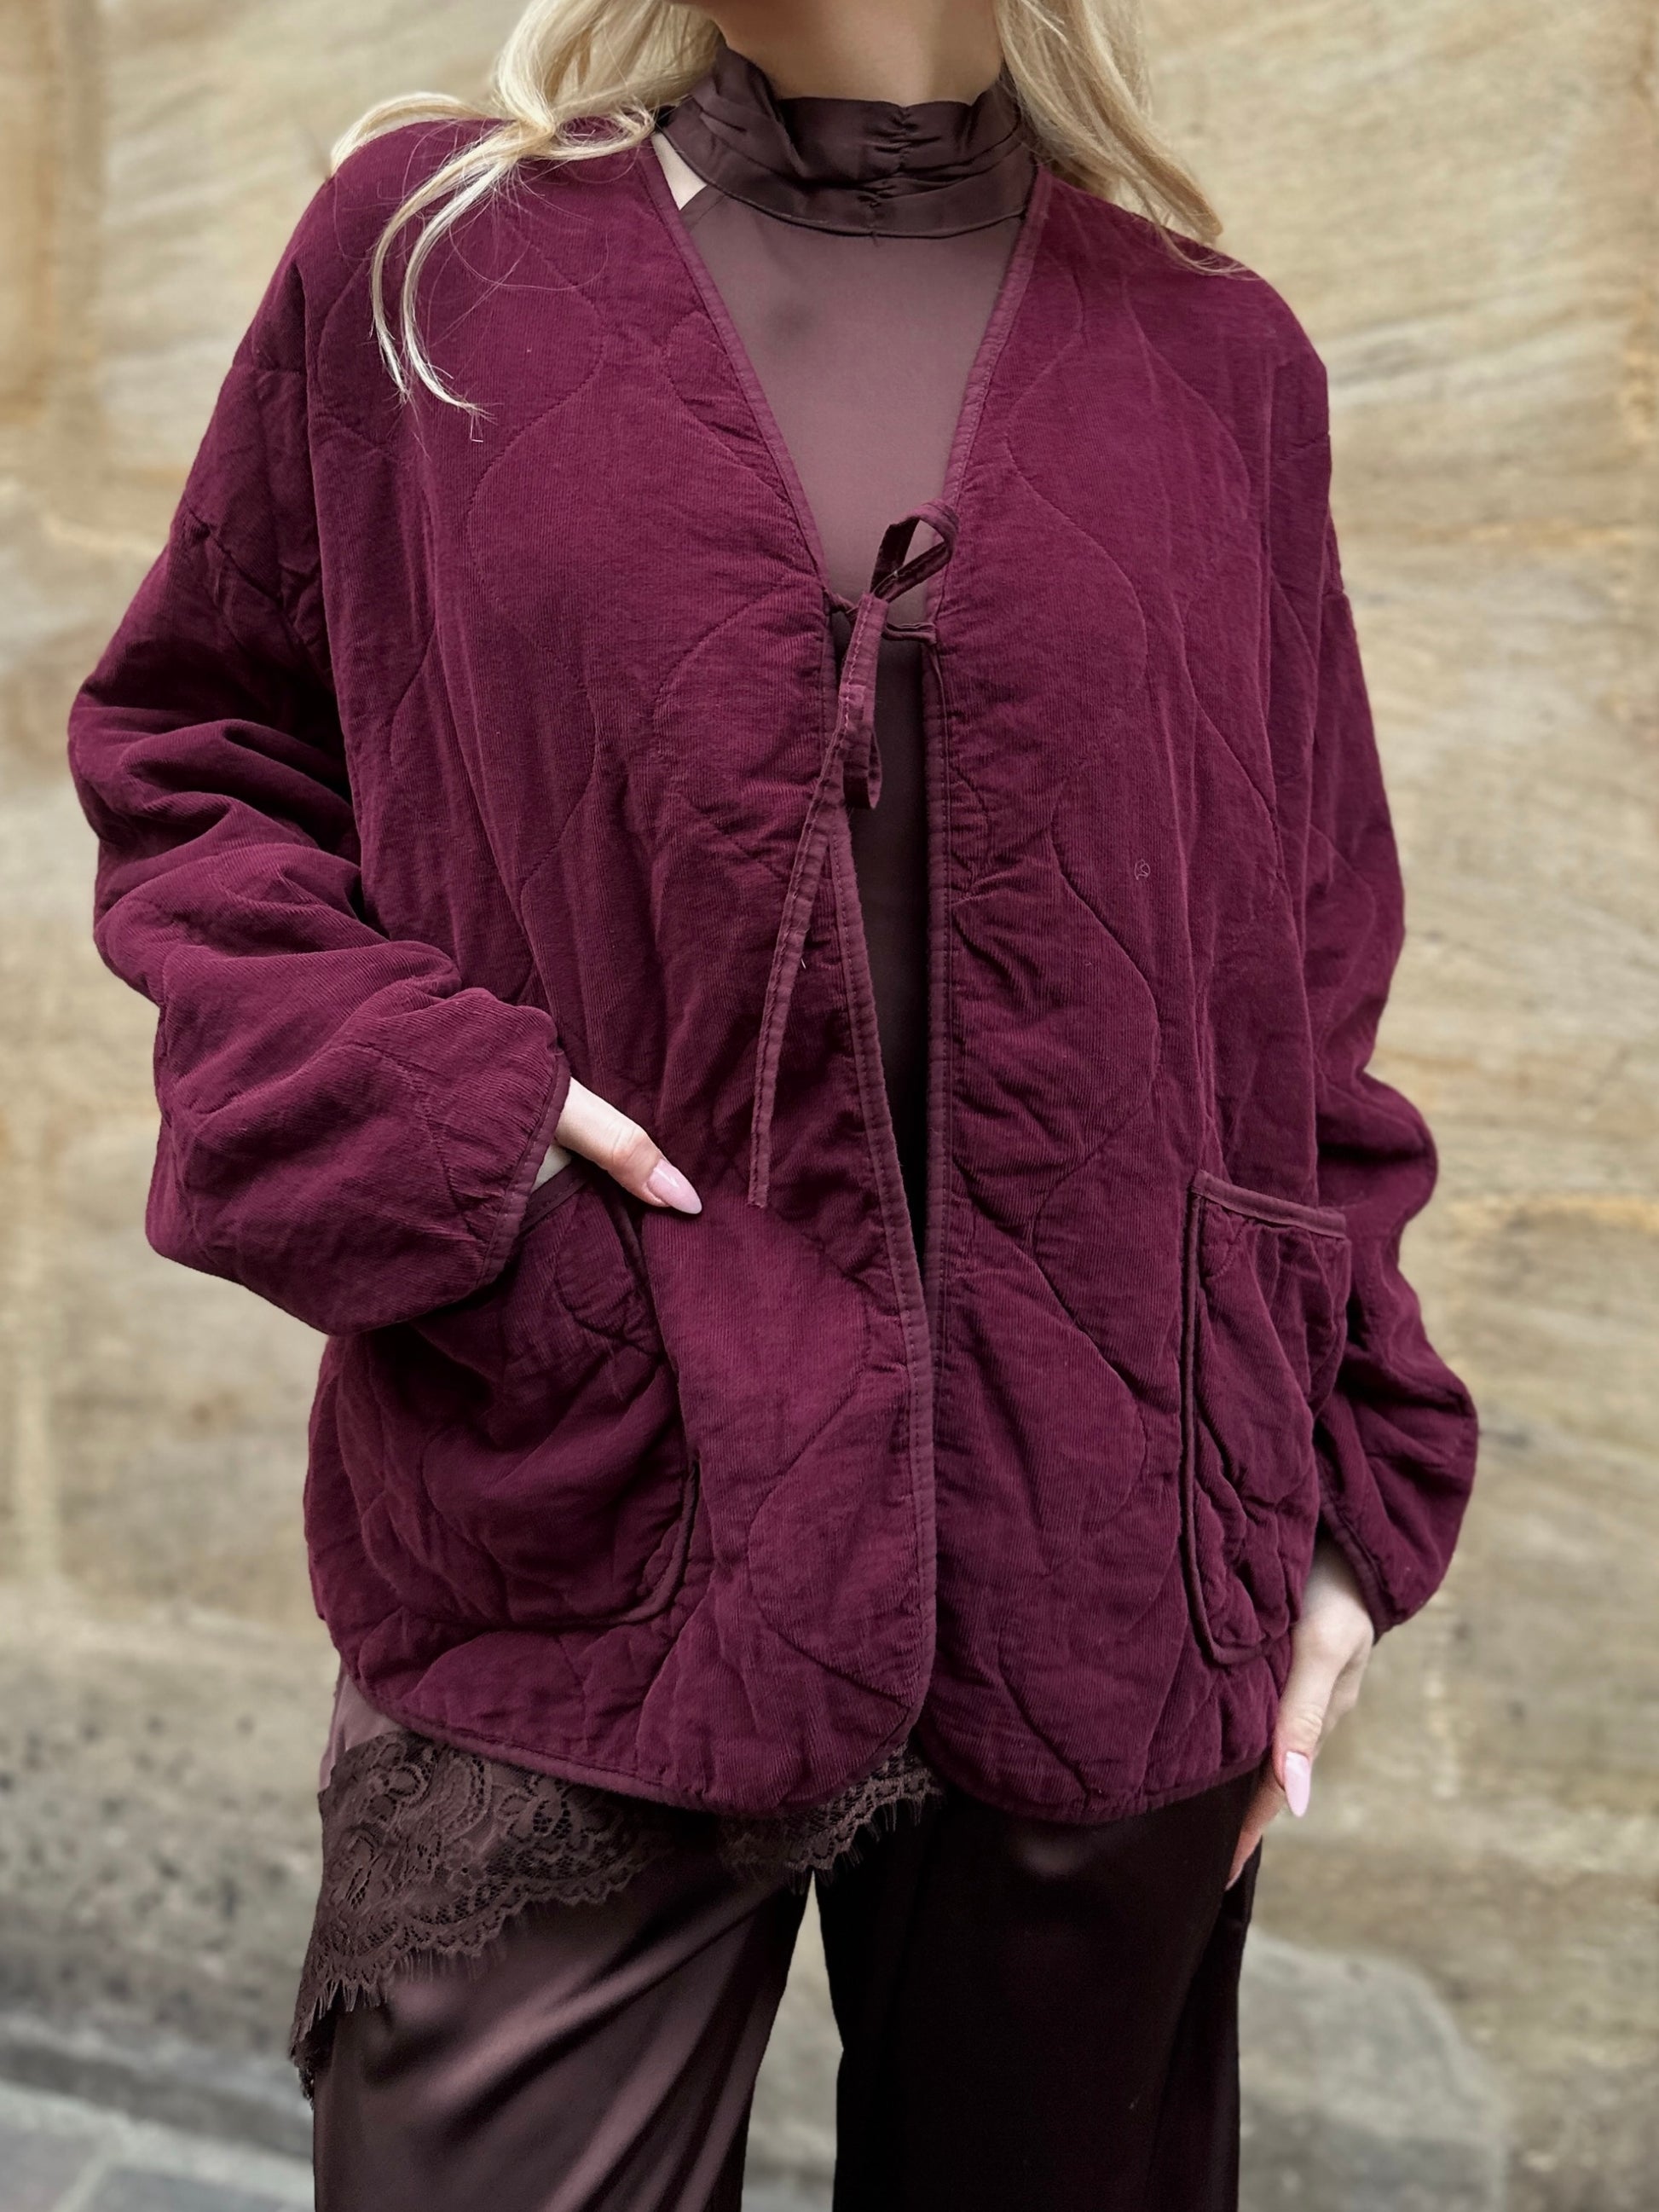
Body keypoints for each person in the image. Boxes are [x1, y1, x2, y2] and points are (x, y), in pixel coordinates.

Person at [66, 0, 1480, 2205]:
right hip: (584, 1506)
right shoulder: (433, 262)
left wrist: (1337, 1492)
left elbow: (1300, 979)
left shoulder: (1218, 358)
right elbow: (199, 769)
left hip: (1112, 1542)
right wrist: (452, 1115)